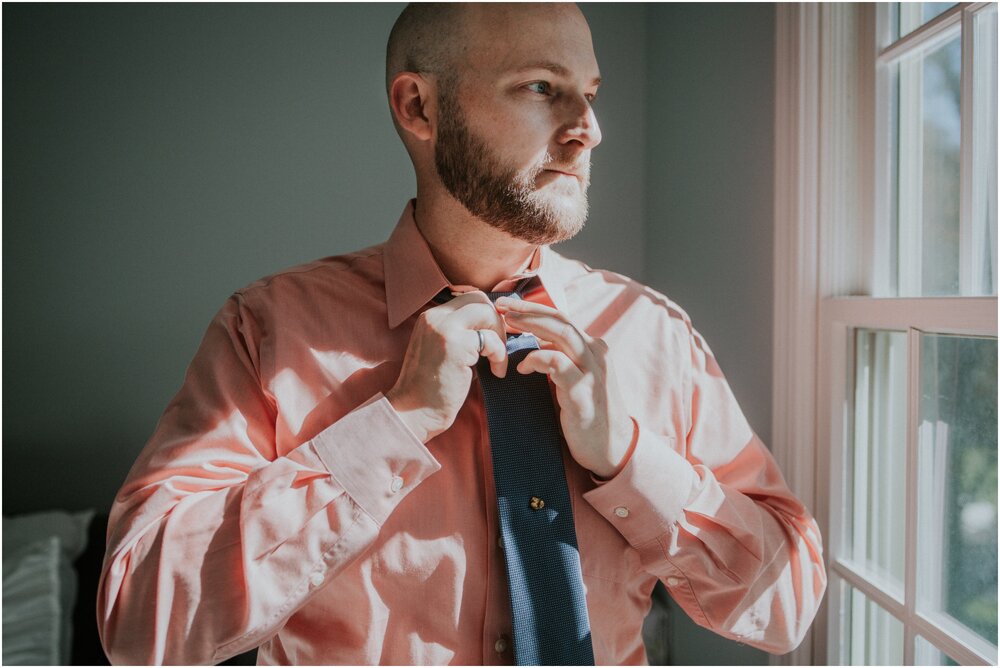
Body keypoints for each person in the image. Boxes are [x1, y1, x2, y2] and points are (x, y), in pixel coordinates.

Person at [97, 3, 827, 665]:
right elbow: (138, 623)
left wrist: (630, 459)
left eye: (591, 94)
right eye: (543, 88)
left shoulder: (650, 335)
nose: (587, 130)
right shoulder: (270, 331)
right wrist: (393, 425)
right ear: (419, 106)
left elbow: (788, 605)